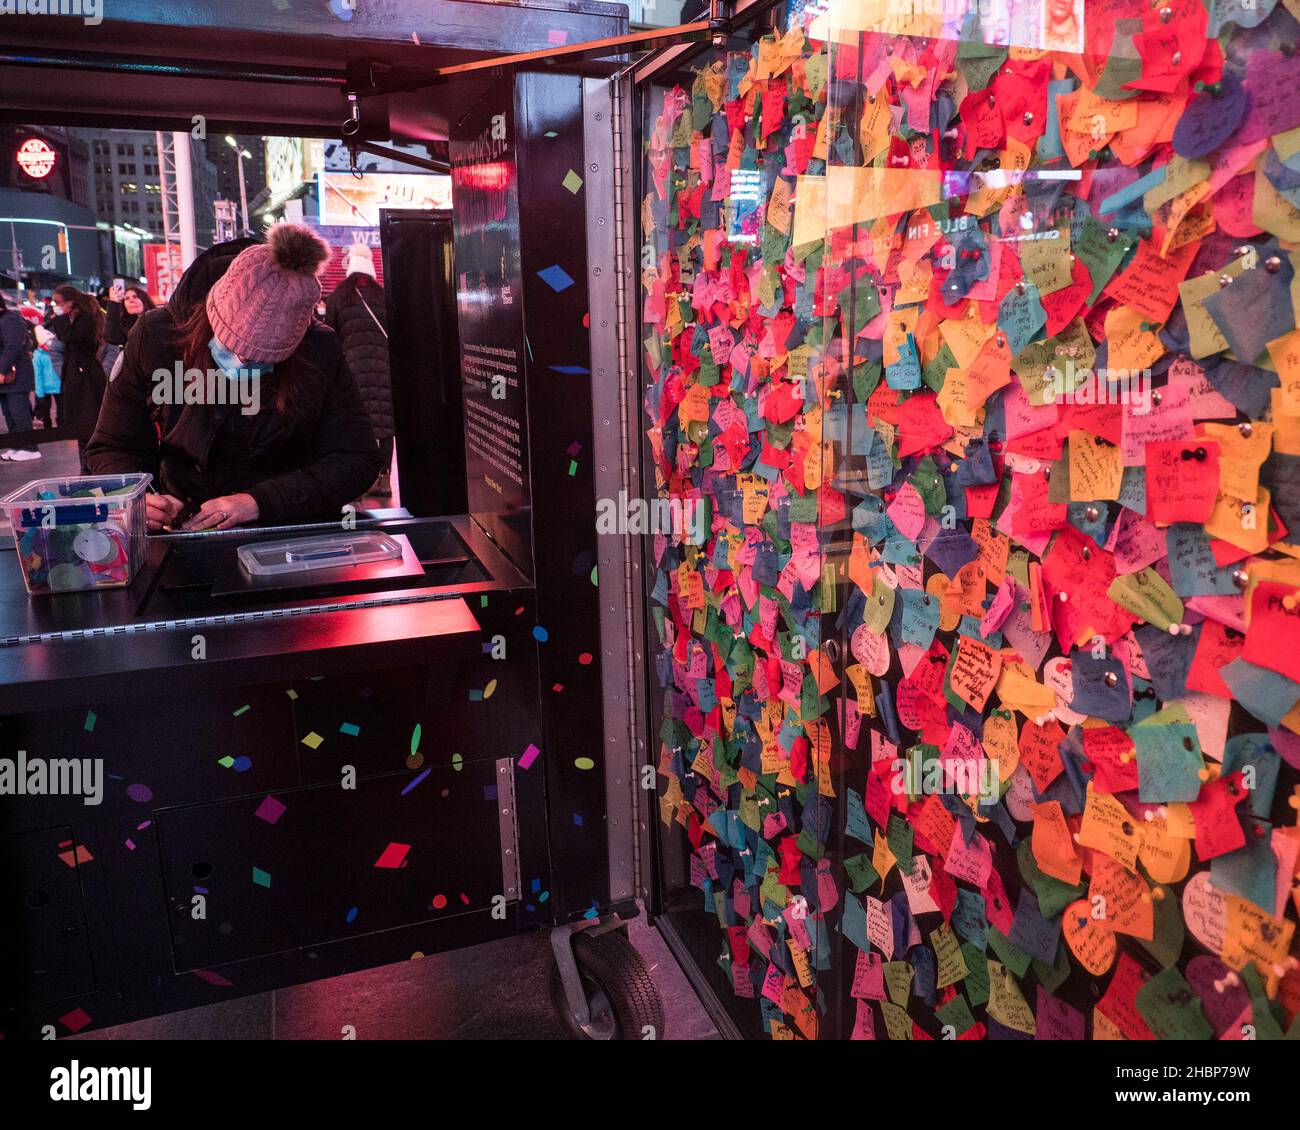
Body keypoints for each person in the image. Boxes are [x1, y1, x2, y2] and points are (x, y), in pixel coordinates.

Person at [85, 223, 382, 533]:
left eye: (262, 360)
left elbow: (356, 458)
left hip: (283, 532)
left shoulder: (319, 349)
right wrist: (141, 499)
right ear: (213, 314)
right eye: (233, 348)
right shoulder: (155, 336)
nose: (242, 364)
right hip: (181, 530)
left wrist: (259, 501)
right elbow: (112, 446)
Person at [324, 243, 395, 496]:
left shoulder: (337, 297)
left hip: (351, 370)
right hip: (384, 369)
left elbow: (330, 336)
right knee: (386, 423)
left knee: (355, 424)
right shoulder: (383, 295)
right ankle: (384, 479)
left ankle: (357, 480)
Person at [47, 283, 107, 470]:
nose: (55, 306)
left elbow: (70, 337)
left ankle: (92, 468)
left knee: (89, 425)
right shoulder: (73, 320)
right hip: (76, 378)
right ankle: (86, 468)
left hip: (88, 379)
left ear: (71, 302)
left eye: (58, 302)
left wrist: (60, 318)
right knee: (82, 429)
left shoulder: (85, 320)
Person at [0, 293, 40, 462]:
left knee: (19, 412)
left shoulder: (11, 319)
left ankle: (30, 448)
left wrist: (2, 370)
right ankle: (17, 445)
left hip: (16, 375)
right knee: (9, 413)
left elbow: (12, 347)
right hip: (6, 378)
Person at [102, 282, 156, 378]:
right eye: (127, 298)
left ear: (143, 300)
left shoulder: (157, 320)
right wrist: (114, 302)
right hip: (135, 376)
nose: (131, 300)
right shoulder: (126, 326)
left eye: (135, 297)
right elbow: (112, 337)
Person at [32, 324, 60, 429]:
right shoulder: (38, 355)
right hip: (46, 387)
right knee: (45, 410)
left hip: (57, 386)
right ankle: (48, 428)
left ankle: (61, 427)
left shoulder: (56, 352)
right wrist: (39, 392)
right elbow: (37, 375)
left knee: (61, 410)